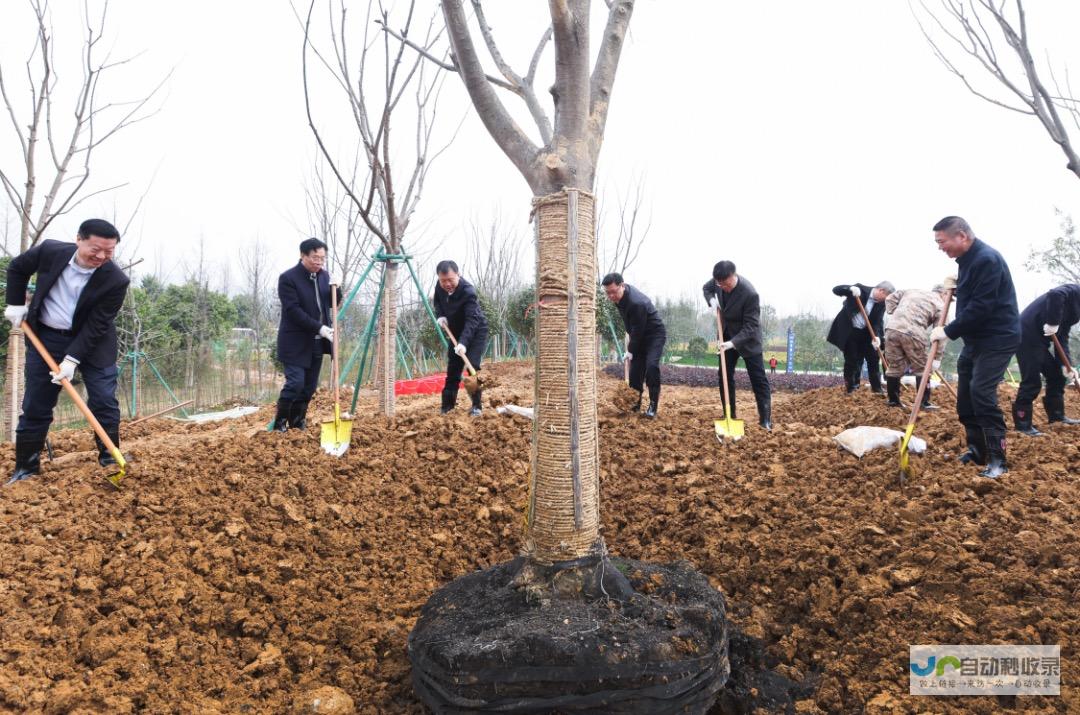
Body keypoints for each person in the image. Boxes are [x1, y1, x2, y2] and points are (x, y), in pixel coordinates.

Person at [3, 219, 130, 485]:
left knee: (103, 400)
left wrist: (71, 360)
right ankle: (26, 469)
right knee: (36, 403)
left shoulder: (116, 280)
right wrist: (15, 305)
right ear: (79, 240)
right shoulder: (50, 251)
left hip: (93, 343)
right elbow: (17, 268)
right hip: (46, 338)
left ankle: (109, 459)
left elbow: (97, 324)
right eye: (96, 249)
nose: (101, 257)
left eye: (109, 252)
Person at [929, 216, 1020, 478]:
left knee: (981, 393)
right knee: (966, 398)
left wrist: (948, 330)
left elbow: (982, 307)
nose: (940, 247)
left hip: (998, 337)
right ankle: (977, 450)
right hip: (977, 339)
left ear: (962, 236)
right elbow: (976, 295)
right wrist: (958, 289)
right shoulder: (968, 262)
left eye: (942, 241)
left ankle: (998, 459)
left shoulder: (986, 259)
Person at [274, 238, 339, 431]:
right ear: (303, 256)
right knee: (295, 383)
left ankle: (297, 422)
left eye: (322, 258)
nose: (319, 262)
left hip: (318, 343)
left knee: (309, 387)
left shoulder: (324, 276)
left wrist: (338, 288)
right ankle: (279, 424)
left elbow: (332, 303)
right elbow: (293, 311)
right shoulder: (288, 278)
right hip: (295, 342)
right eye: (314, 257)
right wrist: (319, 328)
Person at [702, 261, 772, 430]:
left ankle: (765, 420)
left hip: (747, 340)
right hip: (726, 334)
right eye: (720, 284)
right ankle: (729, 415)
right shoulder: (717, 281)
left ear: (733, 276)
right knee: (724, 376)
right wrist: (711, 300)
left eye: (726, 284)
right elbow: (706, 288)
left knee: (758, 379)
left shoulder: (750, 294)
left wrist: (733, 343)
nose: (722, 287)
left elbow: (751, 326)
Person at [1011, 283, 1080, 435]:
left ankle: (1057, 417)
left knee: (1057, 376)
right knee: (1032, 380)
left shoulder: (1075, 313)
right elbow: (1055, 294)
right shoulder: (1075, 291)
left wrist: (1066, 365)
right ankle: (1023, 425)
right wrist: (1053, 322)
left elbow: (1062, 336)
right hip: (1025, 335)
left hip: (1038, 341)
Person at [603, 272, 666, 417]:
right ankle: (634, 404)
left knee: (651, 367)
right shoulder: (619, 298)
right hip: (638, 335)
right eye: (608, 293)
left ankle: (652, 406)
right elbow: (633, 326)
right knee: (635, 372)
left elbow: (638, 329)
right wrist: (632, 344)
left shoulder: (636, 302)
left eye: (613, 292)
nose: (611, 296)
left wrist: (630, 350)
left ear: (622, 286)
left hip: (654, 335)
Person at [433, 260, 488, 416]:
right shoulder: (439, 286)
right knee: (453, 368)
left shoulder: (468, 291)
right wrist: (441, 315)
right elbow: (437, 302)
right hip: (455, 332)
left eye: (451, 279)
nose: (447, 284)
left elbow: (472, 320)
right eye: (443, 280)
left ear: (458, 274)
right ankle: (447, 406)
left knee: (472, 366)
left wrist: (463, 343)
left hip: (476, 331)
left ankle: (477, 407)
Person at [882, 286, 947, 409]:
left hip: (892, 329)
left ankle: (893, 401)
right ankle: (924, 403)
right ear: (943, 293)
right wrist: (936, 358)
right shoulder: (940, 305)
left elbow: (890, 298)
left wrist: (894, 313)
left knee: (894, 367)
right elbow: (941, 333)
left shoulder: (912, 290)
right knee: (923, 369)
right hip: (914, 333)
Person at [827, 280, 895, 394]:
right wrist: (849, 289)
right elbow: (836, 290)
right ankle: (852, 387)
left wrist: (877, 337)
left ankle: (876, 388)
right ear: (881, 290)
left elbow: (877, 322)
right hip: (850, 331)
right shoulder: (860, 290)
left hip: (866, 333)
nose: (886, 300)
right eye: (886, 297)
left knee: (873, 358)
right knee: (852, 360)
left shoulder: (881, 303)